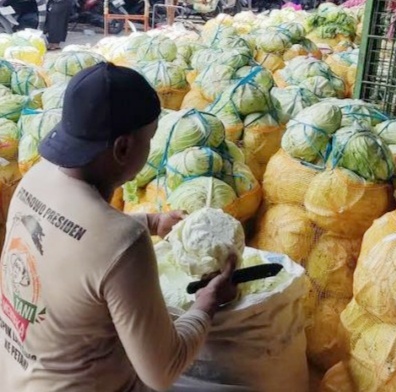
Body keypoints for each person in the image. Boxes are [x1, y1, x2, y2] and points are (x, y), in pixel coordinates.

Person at [0, 62, 239, 391]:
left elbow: (73, 237)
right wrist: (208, 303)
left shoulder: (36, 178)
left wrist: (153, 221)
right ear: (123, 147)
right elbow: (162, 371)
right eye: (150, 139)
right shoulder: (124, 243)